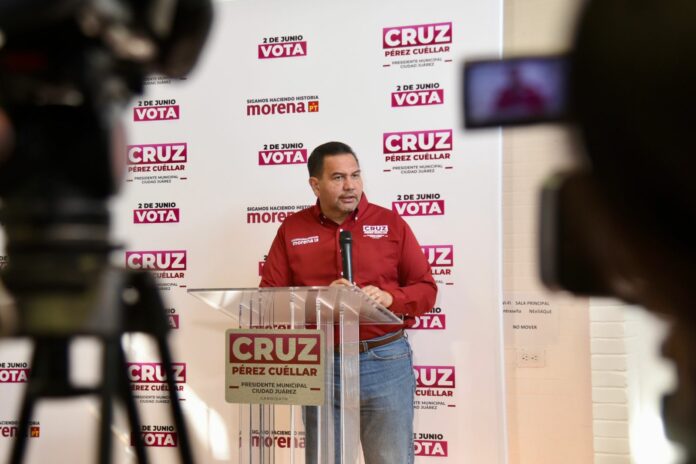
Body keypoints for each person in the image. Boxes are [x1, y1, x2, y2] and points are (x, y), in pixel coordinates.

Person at [260, 141, 437, 464]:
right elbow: (269, 299)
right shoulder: (292, 229)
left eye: (355, 175)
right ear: (315, 185)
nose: (351, 185)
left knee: (391, 459)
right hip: (321, 363)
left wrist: (390, 298)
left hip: (384, 360)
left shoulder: (391, 223)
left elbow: (426, 289)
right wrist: (322, 300)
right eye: (338, 177)